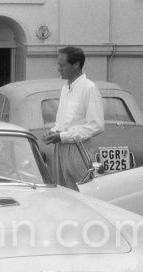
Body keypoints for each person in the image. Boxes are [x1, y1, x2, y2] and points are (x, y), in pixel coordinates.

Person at [43, 46, 104, 190]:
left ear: (76, 64)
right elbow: (64, 120)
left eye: (62, 65)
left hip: (78, 151)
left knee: (80, 194)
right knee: (62, 193)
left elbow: (97, 125)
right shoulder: (66, 88)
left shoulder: (89, 88)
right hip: (60, 149)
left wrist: (63, 136)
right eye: (59, 64)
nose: (59, 69)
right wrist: (54, 132)